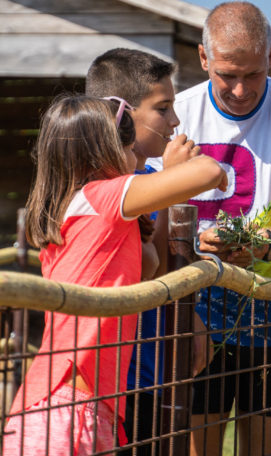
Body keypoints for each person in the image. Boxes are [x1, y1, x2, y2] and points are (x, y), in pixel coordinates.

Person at [151, 1, 271, 456]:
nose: (240, 89)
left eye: (253, 74)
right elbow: (147, 219)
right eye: (226, 74)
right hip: (193, 309)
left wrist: (257, 245)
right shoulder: (172, 115)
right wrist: (193, 249)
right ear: (203, 59)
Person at [3, 94, 227, 455]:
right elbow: (210, 173)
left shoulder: (70, 206)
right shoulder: (101, 196)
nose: (138, 158)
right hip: (71, 408)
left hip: (71, 403)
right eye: (130, 148)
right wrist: (170, 171)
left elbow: (147, 266)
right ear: (105, 151)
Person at [85, 48, 186, 454]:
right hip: (114, 376)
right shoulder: (111, 187)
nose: (175, 121)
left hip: (145, 368)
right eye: (163, 108)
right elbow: (154, 268)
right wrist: (176, 178)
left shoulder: (145, 179)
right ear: (124, 115)